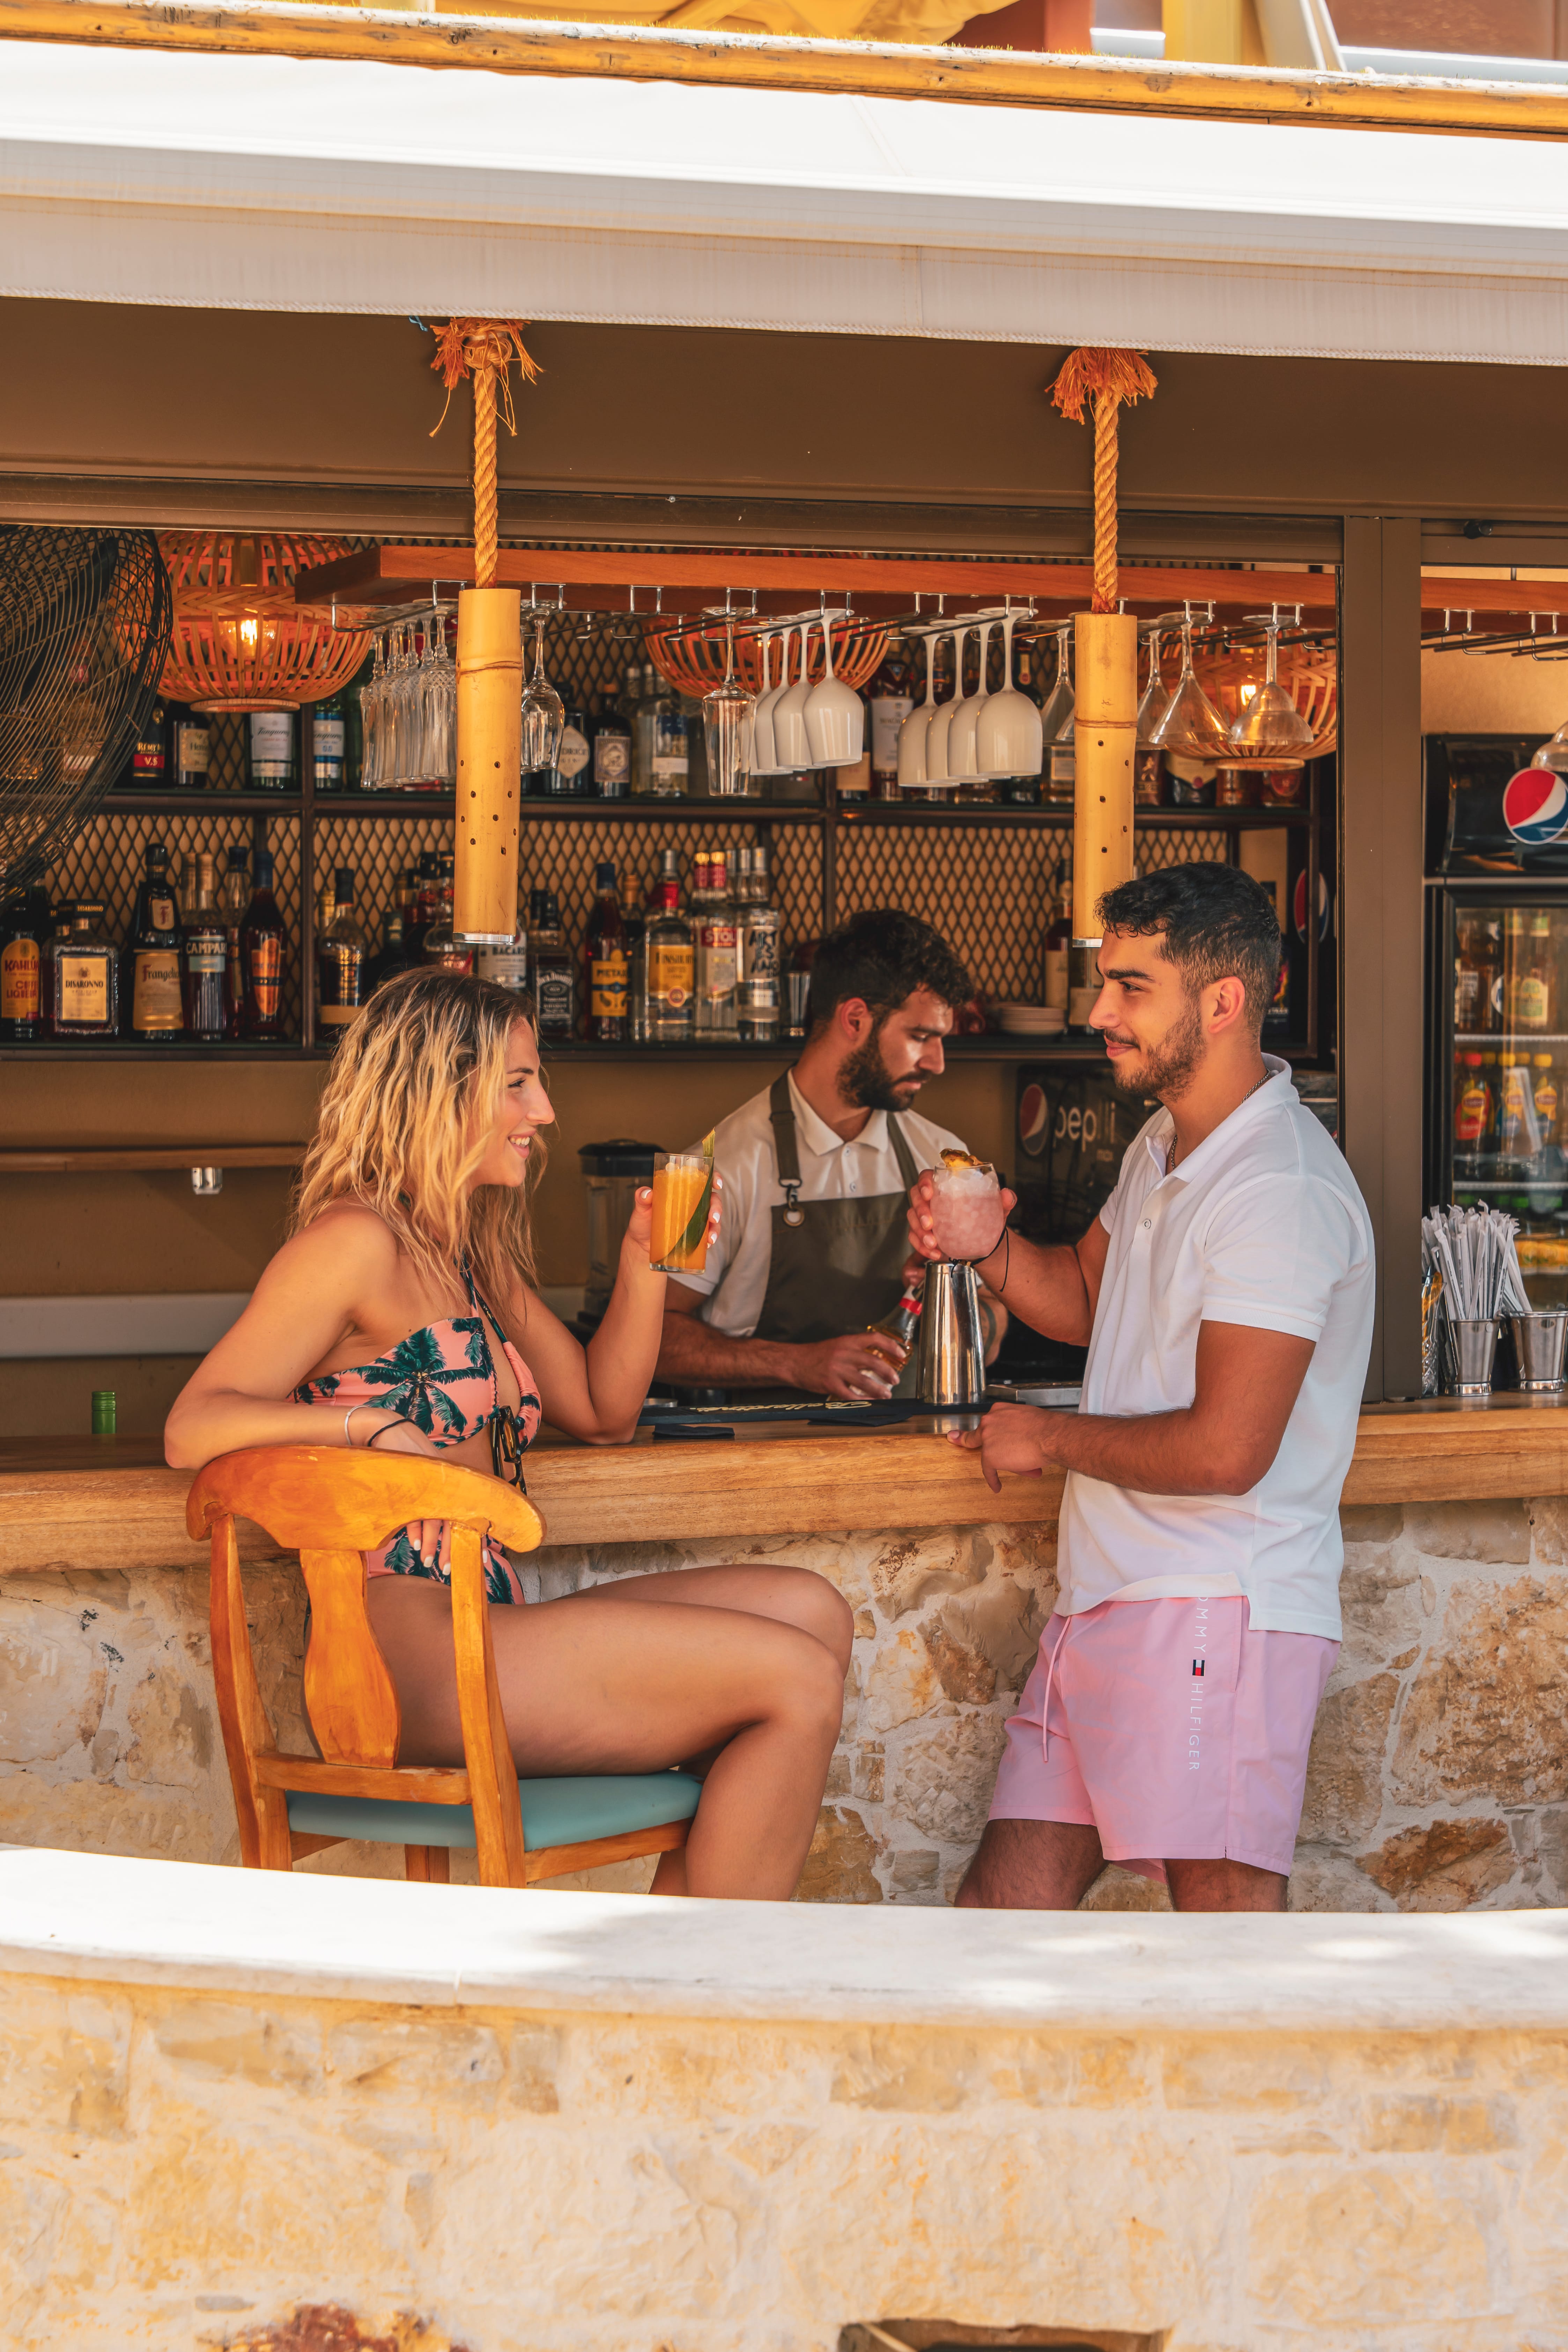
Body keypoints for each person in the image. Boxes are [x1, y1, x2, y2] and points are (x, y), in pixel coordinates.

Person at [164, 969, 851, 1901]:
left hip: (490, 1622)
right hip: (410, 1648)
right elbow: (193, 1424)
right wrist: (368, 1426)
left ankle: (670, 1974)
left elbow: (603, 1412)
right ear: (439, 1092)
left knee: (812, 1612)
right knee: (794, 1681)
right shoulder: (352, 1242)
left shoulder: (467, 1251)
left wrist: (646, 1264)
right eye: (519, 1083)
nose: (547, 1110)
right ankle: (708, 2000)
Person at [908, 863, 1374, 1914]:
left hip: (1216, 1609)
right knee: (997, 1921)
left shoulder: (1277, 1189)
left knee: (1223, 1942)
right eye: (1102, 982)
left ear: (1221, 1002)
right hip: (1108, 1604)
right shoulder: (1165, 1144)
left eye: (1129, 987)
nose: (1098, 1012)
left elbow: (1225, 1451)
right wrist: (985, 1246)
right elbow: (1082, 1294)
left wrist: (1051, 1437)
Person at [658, 908, 1005, 1401]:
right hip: (754, 1464)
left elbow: (995, 1313)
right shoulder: (695, 1171)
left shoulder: (950, 1162)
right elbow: (650, 1339)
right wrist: (795, 1364)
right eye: (921, 1037)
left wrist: (953, 1305)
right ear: (855, 1018)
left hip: (909, 1462)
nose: (938, 1063)